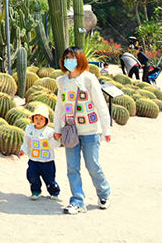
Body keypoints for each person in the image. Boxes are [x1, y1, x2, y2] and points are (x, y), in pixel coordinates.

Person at [53, 46, 112, 214]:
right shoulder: (62, 81)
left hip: (91, 130)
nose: (68, 61)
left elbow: (100, 105)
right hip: (71, 131)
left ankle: (104, 193)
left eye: (72, 57)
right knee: (72, 168)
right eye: (66, 58)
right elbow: (60, 108)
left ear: (80, 59)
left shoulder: (89, 79)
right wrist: (57, 128)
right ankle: (77, 201)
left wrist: (106, 130)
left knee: (92, 165)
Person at [19, 105, 60, 200]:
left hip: (47, 161)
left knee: (50, 179)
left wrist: (55, 139)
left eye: (41, 118)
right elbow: (26, 142)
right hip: (33, 160)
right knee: (31, 175)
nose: (38, 120)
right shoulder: (29, 129)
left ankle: (54, 192)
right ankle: (35, 191)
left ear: (46, 120)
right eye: (36, 118)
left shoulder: (50, 131)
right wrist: (23, 150)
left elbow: (55, 145)